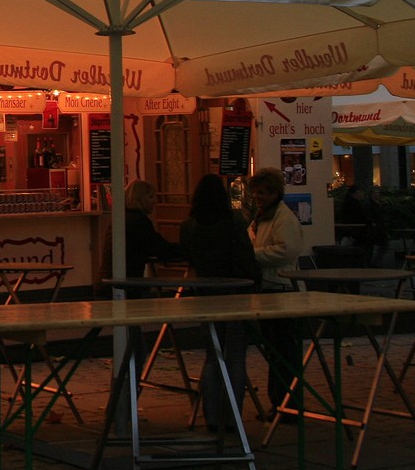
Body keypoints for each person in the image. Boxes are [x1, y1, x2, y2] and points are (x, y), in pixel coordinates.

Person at [179, 174, 260, 433]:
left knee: (213, 355)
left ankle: (212, 416)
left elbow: (187, 255)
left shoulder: (189, 225)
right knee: (235, 355)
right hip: (235, 291)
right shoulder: (233, 221)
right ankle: (232, 416)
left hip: (205, 292)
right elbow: (245, 256)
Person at [247, 167, 304, 415]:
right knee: (274, 349)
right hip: (268, 287)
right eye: (255, 193)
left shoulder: (283, 218)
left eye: (262, 193)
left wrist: (254, 256)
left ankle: (287, 402)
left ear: (274, 193)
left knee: (283, 349)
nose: (257, 197)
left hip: (281, 288)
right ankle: (279, 401)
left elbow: (287, 250)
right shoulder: (262, 216)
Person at [123, 179, 183, 276]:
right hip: (128, 281)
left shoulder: (123, 218)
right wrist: (185, 249)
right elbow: (160, 248)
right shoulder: (139, 222)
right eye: (150, 197)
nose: (155, 201)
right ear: (139, 199)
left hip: (114, 278)